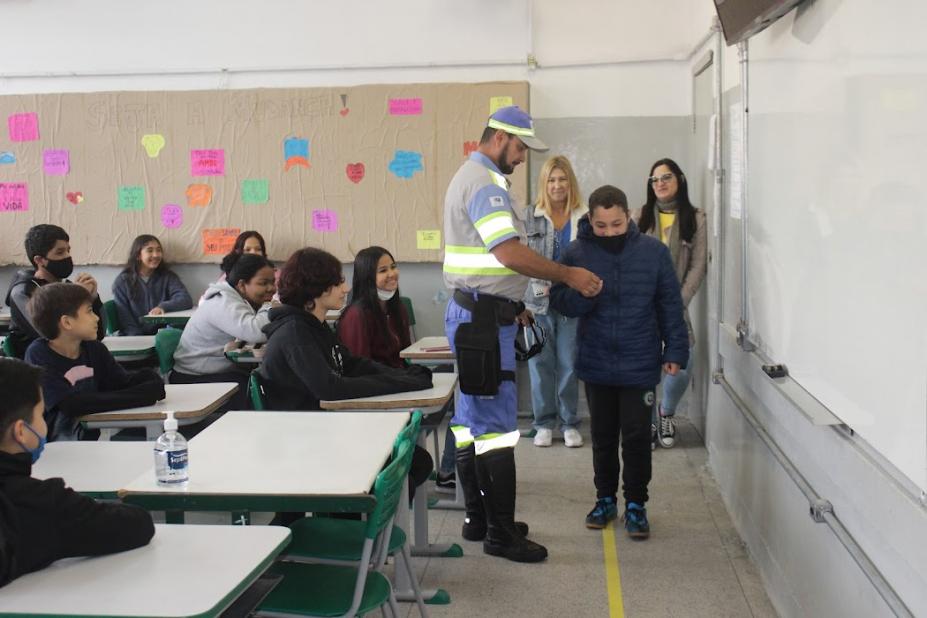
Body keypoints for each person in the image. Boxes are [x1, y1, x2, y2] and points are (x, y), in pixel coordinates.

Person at [442, 105, 602, 563]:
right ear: (499, 138)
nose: (522, 158)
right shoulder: (485, 185)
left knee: (470, 421)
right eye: (520, 148)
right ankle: (501, 533)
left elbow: (490, 261)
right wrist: (568, 274)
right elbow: (509, 253)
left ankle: (479, 520)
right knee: (496, 430)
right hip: (482, 322)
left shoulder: (472, 177)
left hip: (479, 314)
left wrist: (514, 308)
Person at [550, 185, 689, 539]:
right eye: (601, 226)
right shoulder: (575, 252)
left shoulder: (654, 253)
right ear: (591, 222)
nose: (609, 231)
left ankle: (636, 505)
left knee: (638, 437)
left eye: (616, 224)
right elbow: (560, 302)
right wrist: (584, 295)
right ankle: (605, 499)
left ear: (628, 216)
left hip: (639, 362)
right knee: (602, 436)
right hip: (596, 363)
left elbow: (670, 305)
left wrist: (675, 351)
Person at [0, 358, 155, 588]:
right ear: (21, 432)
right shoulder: (41, 502)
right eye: (42, 415)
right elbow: (138, 525)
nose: (44, 425)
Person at [338, 246, 458, 490]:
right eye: (383, 270)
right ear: (366, 277)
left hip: (399, 385)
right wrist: (405, 380)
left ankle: (451, 469)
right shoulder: (357, 315)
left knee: (457, 377)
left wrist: (410, 377)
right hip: (381, 396)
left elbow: (403, 357)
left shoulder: (396, 309)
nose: (392, 274)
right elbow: (360, 370)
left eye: (393, 267)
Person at [259, 247, 433, 409]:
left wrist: (403, 376)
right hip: (301, 431)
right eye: (338, 283)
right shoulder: (295, 333)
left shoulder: (314, 325)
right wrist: (405, 383)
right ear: (317, 288)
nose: (346, 288)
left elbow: (351, 364)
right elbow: (330, 389)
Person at [23, 283, 165, 442]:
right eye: (89, 311)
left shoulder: (94, 348)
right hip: (53, 447)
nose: (96, 317)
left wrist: (150, 379)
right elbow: (71, 405)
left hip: (92, 439)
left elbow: (120, 382)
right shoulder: (39, 354)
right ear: (67, 322)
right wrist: (142, 396)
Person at [633, 158, 707, 449]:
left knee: (682, 363)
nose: (660, 183)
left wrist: (676, 303)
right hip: (643, 305)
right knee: (645, 366)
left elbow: (698, 267)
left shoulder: (696, 218)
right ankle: (649, 422)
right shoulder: (638, 216)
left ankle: (667, 412)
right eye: (655, 179)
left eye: (666, 177)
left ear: (680, 180)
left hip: (676, 304)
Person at [523, 155, 587, 449]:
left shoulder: (584, 217)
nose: (557, 185)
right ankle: (544, 423)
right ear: (544, 184)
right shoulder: (529, 216)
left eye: (562, 179)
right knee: (540, 364)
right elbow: (520, 261)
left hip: (572, 302)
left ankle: (569, 422)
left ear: (570, 182)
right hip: (537, 304)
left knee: (569, 363)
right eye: (551, 179)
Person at [171, 252, 276, 411]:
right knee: (253, 388)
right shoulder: (222, 302)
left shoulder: (238, 299)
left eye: (273, 282)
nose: (272, 288)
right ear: (242, 285)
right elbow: (256, 331)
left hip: (217, 372)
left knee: (267, 380)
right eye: (263, 283)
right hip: (194, 379)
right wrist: (269, 307)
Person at [3, 225, 104, 359]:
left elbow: (100, 334)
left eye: (68, 250)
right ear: (39, 260)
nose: (68, 256)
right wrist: (75, 297)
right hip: (37, 366)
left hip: (74, 359)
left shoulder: (65, 285)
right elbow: (51, 334)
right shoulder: (22, 292)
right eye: (60, 252)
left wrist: (92, 298)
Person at [111, 234, 193, 336]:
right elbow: (125, 319)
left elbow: (185, 299)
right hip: (134, 336)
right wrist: (139, 341)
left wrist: (163, 307)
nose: (156, 255)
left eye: (158, 250)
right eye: (150, 250)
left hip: (163, 335)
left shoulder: (167, 276)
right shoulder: (123, 282)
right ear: (138, 255)